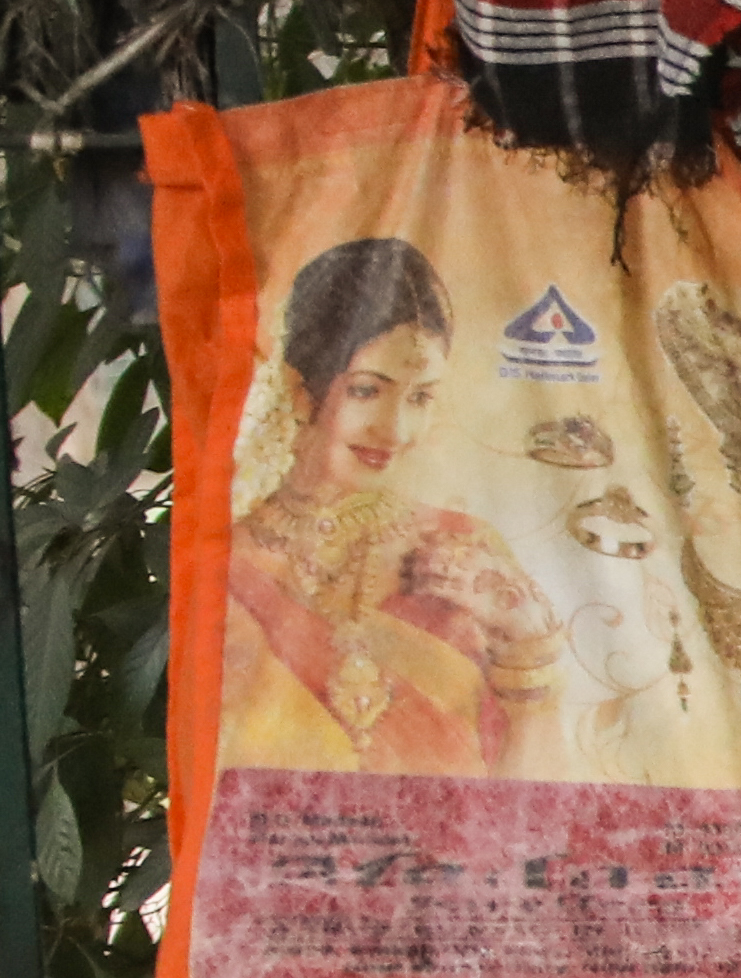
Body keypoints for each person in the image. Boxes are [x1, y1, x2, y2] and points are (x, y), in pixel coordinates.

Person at [221, 233, 563, 777]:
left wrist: (527, 651)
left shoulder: (464, 550)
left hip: (458, 859)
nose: (396, 429)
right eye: (366, 390)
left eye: (420, 397)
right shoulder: (231, 562)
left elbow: (532, 809)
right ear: (302, 388)